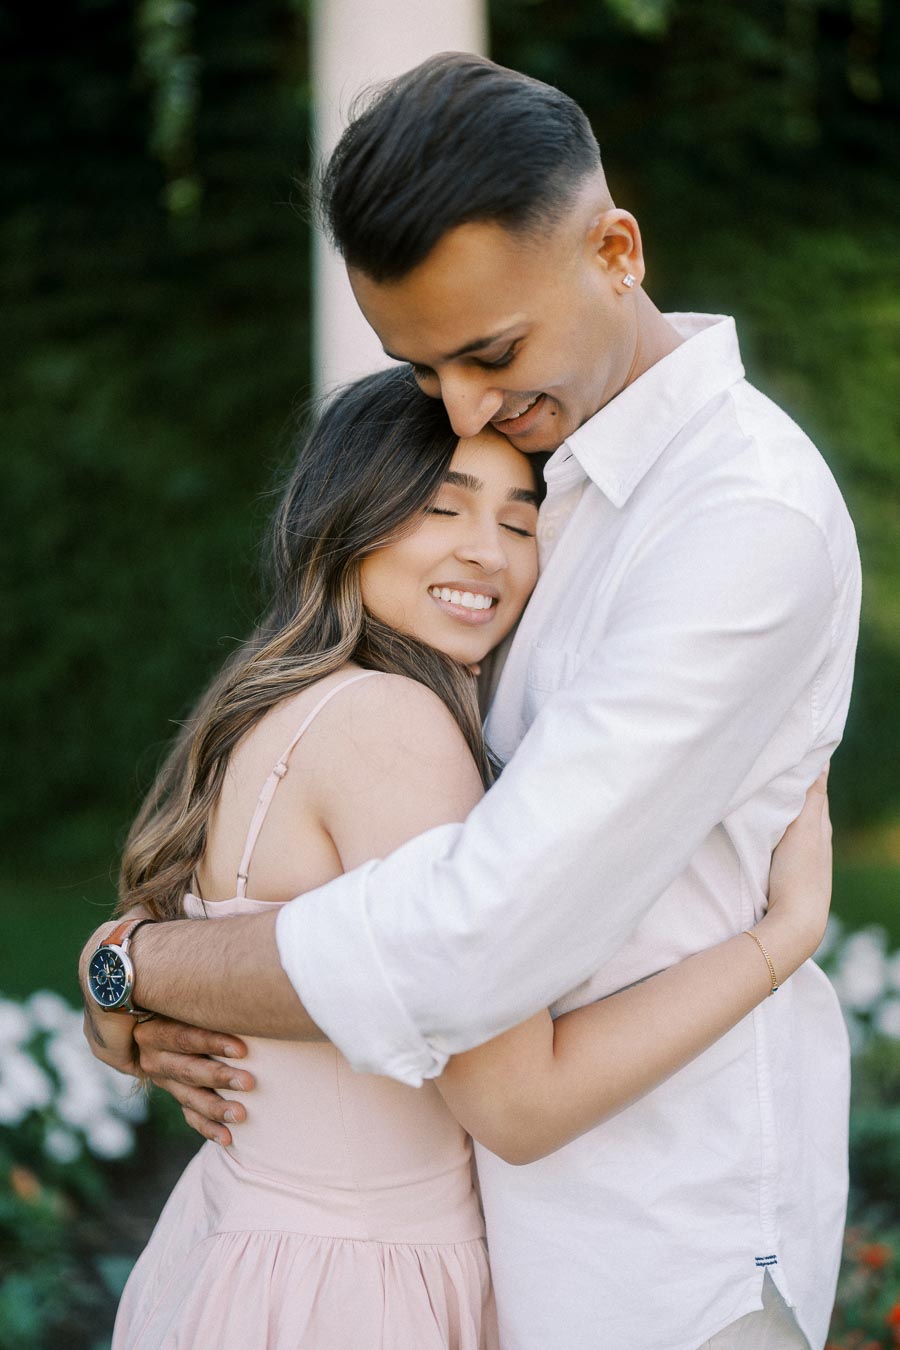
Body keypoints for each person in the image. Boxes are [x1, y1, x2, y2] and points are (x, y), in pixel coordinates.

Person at [82, 54, 861, 1350]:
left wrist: (152, 964)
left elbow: (471, 934)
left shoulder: (739, 523)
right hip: (467, 1259)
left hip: (658, 1265)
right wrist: (140, 969)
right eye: (421, 367)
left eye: (491, 352)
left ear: (616, 251)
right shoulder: (546, 481)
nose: (462, 406)